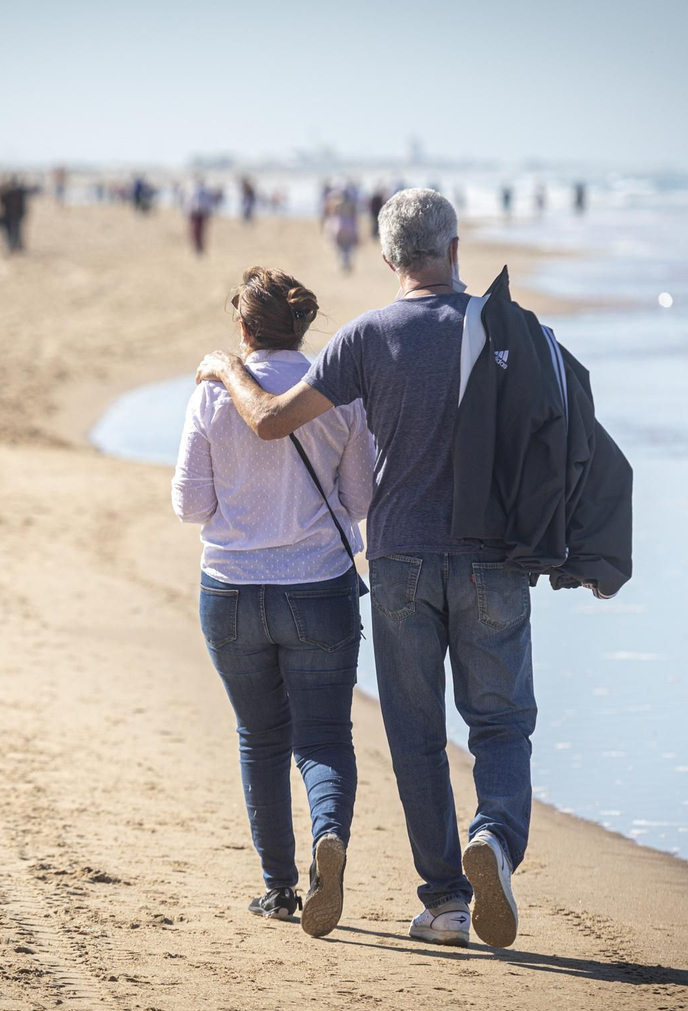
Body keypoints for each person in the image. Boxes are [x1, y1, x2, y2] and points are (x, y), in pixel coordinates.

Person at [194, 189, 532, 950]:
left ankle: (446, 901)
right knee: (503, 724)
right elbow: (561, 440)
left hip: (402, 558)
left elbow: (272, 420)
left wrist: (223, 367)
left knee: (415, 731)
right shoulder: (513, 330)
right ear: (454, 248)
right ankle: (497, 841)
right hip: (496, 562)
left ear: (385, 259)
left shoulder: (366, 338)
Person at [173, 266, 374, 938]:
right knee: (323, 735)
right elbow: (361, 501)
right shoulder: (337, 390)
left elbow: (189, 504)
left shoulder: (211, 394)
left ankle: (279, 887)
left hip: (229, 589)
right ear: (301, 323)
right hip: (318, 586)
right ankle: (328, 838)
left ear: (243, 327)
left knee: (261, 738)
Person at [325, 189, 360, 273]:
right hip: (349, 226)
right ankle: (347, 263)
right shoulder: (350, 205)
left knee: (340, 248)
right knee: (348, 248)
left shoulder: (336, 204)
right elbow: (354, 217)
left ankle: (342, 264)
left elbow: (331, 216)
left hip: (338, 226)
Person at [0, 175, 27, 254]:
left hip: (12, 215)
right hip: (10, 215)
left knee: (13, 232)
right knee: (13, 232)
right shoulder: (15, 192)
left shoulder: (10, 192)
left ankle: (15, 247)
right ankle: (14, 247)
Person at [188, 176, 215, 255]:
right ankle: (198, 248)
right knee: (196, 232)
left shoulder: (204, 192)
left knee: (200, 232)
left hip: (200, 213)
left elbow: (207, 203)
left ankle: (200, 248)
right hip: (195, 213)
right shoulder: (193, 191)